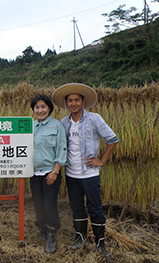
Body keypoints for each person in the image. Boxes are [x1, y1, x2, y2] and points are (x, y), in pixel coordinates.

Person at [52, 83, 119, 258]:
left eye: (76, 100)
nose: (73, 103)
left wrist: (101, 160)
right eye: (70, 100)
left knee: (95, 209)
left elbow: (112, 139)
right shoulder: (64, 123)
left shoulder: (94, 119)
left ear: (82, 101)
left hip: (89, 174)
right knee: (77, 208)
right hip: (71, 174)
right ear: (66, 103)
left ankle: (100, 244)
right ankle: (79, 239)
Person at [30, 94, 67, 253]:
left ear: (49, 108)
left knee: (49, 205)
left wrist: (55, 171)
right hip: (33, 173)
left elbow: (62, 149)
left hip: (50, 173)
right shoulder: (30, 126)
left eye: (43, 107)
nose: (40, 110)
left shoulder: (56, 125)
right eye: (37, 107)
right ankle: (42, 230)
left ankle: (52, 236)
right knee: (38, 204)